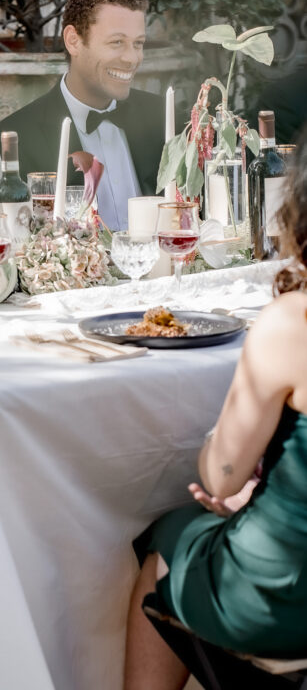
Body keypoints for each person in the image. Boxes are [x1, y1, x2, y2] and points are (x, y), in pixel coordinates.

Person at [124, 127, 307, 689]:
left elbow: (219, 479)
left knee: (170, 536)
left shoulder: (292, 324)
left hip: (286, 598)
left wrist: (236, 476)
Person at [0, 0, 165, 231]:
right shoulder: (16, 137)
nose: (131, 58)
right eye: (117, 42)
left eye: (138, 43)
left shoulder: (163, 116)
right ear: (73, 40)